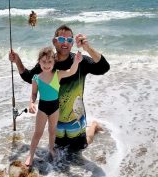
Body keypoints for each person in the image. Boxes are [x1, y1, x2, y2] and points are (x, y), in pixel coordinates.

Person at [9, 25, 110, 153]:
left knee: (80, 148)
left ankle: (93, 126)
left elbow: (104, 67)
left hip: (76, 118)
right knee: (59, 149)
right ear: (54, 41)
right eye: (61, 39)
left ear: (73, 43)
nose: (65, 43)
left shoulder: (80, 61)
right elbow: (30, 77)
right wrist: (17, 60)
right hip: (55, 120)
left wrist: (87, 48)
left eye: (69, 40)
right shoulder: (48, 63)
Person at [24, 47, 82, 168]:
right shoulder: (36, 78)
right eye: (44, 61)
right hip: (42, 109)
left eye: (49, 61)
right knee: (38, 133)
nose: (46, 64)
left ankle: (51, 149)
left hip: (55, 108)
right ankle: (31, 154)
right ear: (39, 62)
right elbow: (34, 94)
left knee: (52, 131)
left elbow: (71, 71)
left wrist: (76, 61)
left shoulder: (58, 74)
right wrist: (31, 103)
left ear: (54, 62)